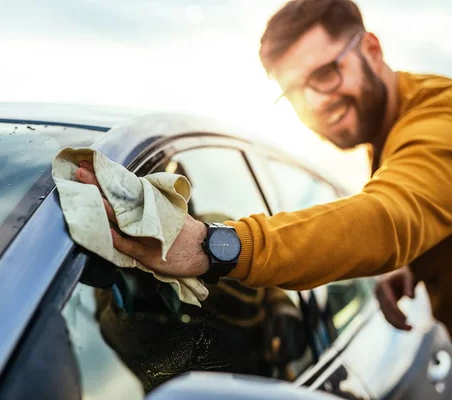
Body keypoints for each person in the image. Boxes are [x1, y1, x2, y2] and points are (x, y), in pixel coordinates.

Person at [76, 0, 452, 335]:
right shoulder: (394, 128)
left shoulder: (441, 115)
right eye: (295, 93)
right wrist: (418, 265)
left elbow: (389, 217)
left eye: (324, 74)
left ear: (372, 49)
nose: (315, 103)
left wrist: (211, 245)